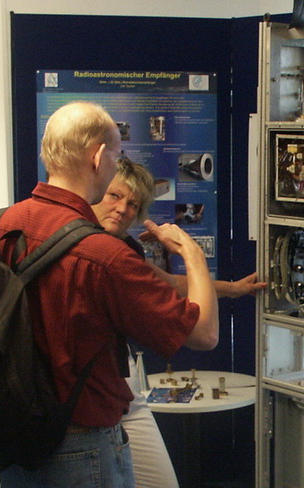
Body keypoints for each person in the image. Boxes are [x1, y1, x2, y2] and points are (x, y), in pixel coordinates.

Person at [0, 101, 219, 488]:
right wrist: (191, 253)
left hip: (14, 430)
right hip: (80, 441)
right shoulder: (105, 256)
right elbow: (204, 334)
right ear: (98, 156)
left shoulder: (1, 226)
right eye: (117, 155)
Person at [92, 157, 265, 488]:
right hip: (94, 399)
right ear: (97, 190)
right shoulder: (97, 250)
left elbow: (171, 284)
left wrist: (234, 289)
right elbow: (205, 335)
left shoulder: (123, 249)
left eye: (133, 204)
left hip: (123, 390)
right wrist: (191, 251)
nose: (122, 209)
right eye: (115, 196)